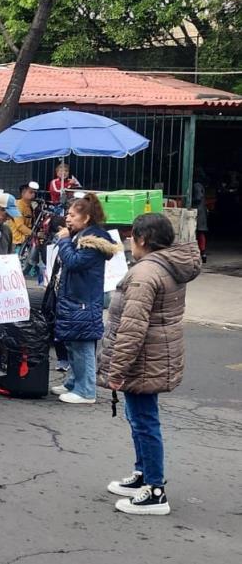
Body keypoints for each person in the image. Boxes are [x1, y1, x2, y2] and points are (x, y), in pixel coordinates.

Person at [98, 214, 200, 516]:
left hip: (143, 359)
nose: (129, 242)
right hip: (154, 355)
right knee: (140, 419)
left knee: (144, 422)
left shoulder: (145, 273)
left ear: (143, 239)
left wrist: (117, 371)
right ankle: (143, 474)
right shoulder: (166, 267)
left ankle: (155, 491)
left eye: (132, 237)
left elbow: (133, 329)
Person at [49, 193, 120, 404]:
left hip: (84, 301)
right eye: (67, 214)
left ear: (86, 218)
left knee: (83, 346)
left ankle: (86, 390)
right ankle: (73, 383)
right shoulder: (80, 235)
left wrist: (63, 242)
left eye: (72, 215)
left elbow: (73, 261)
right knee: (72, 343)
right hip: (75, 298)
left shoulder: (93, 242)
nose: (67, 219)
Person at [11, 182, 39, 251]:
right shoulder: (18, 206)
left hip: (25, 240)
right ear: (23, 194)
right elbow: (20, 225)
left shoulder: (30, 206)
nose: (33, 194)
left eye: (34, 192)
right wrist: (34, 234)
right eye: (30, 192)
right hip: (17, 241)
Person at [192, 181, 208, 263]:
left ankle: (201, 253)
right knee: (200, 233)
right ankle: (203, 254)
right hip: (200, 211)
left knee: (197, 233)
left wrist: (189, 199)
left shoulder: (196, 185)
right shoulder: (200, 184)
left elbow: (198, 198)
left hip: (198, 212)